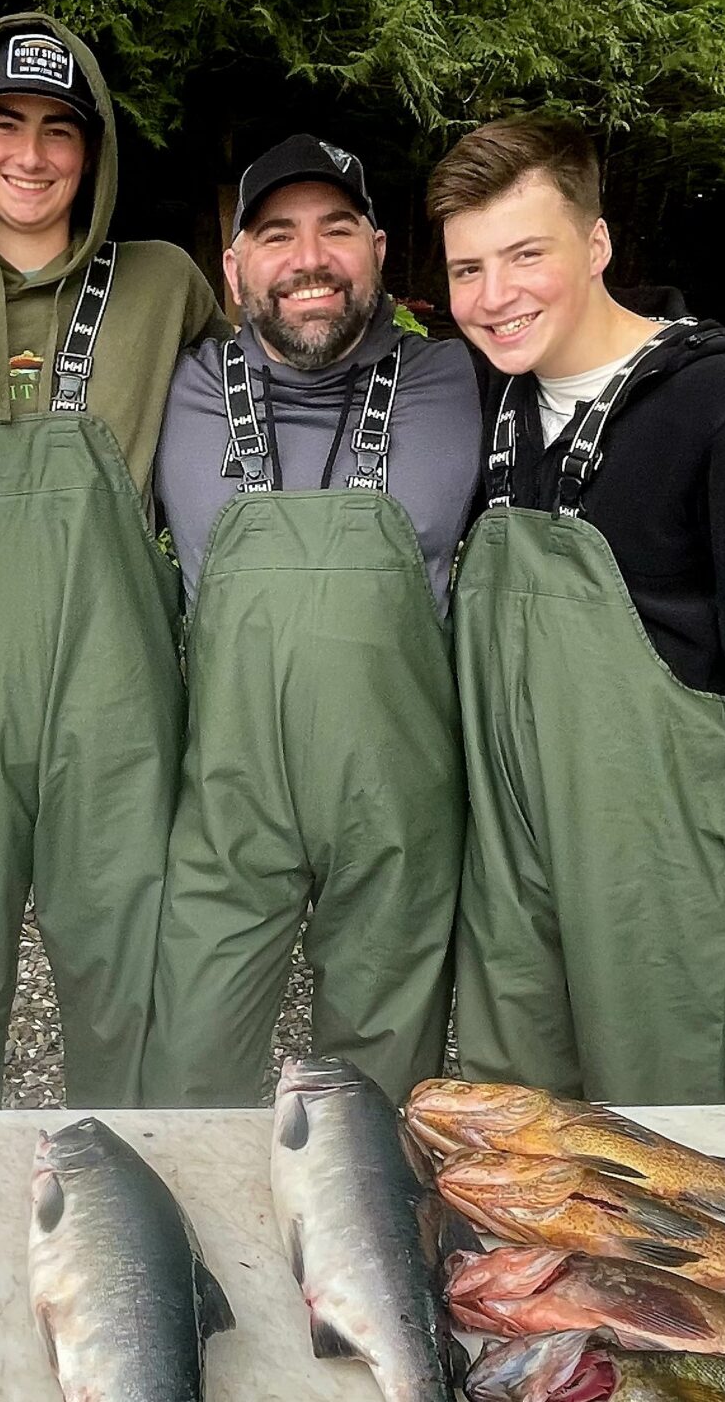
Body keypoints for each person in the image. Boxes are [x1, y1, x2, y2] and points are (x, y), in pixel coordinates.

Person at [429, 118, 725, 1107]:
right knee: (522, 1127)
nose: (494, 298)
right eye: (466, 270)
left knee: (666, 1135)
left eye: (525, 255)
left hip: (656, 859)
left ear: (596, 246)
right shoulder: (496, 404)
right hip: (511, 845)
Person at [0, 13, 227, 1104]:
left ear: (96, 150)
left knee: (130, 977)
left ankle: (132, 1233)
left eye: (60, 129)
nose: (30, 155)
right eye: (3, 124)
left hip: (115, 705)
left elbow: (265, 409)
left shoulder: (167, 286)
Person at [142, 135, 480, 1105]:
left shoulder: (466, 382)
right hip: (228, 801)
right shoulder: (183, 386)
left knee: (377, 1104)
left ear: (378, 247)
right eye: (277, 233)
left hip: (396, 805)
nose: (310, 259)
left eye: (337, 229)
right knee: (183, 1079)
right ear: (234, 265)